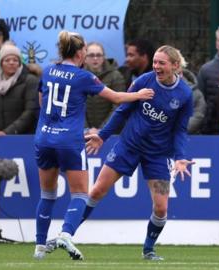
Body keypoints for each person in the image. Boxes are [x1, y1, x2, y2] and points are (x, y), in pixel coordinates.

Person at [33, 30, 154, 260]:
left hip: (44, 137)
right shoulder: (84, 77)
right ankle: (66, 234)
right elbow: (117, 98)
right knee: (79, 194)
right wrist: (138, 95)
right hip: (69, 140)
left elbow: (41, 101)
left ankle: (39, 248)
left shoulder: (48, 71)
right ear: (80, 53)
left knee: (47, 194)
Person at [81, 45, 194, 261]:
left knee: (161, 208)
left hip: (158, 155)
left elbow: (180, 129)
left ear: (175, 66)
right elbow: (122, 111)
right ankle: (66, 235)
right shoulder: (143, 81)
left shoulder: (185, 94)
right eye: (154, 61)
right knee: (96, 191)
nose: (156, 66)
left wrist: (179, 157)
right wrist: (103, 136)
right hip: (128, 146)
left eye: (161, 62)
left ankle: (148, 250)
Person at [0, 42, 39, 136]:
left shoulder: (30, 81)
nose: (11, 62)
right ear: (1, 63)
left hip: (23, 139)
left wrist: (7, 132)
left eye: (15, 60)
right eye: (7, 60)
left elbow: (30, 112)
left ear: (19, 63)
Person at [84, 42, 126, 135]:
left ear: (104, 57)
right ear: (85, 58)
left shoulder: (115, 76)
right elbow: (76, 105)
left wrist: (102, 129)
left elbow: (118, 106)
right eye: (91, 55)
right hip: (84, 133)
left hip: (110, 132)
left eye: (98, 55)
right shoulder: (80, 75)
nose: (95, 58)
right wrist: (86, 129)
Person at [180, 68, 206, 134]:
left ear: (181, 73)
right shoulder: (157, 89)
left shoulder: (196, 93)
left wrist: (179, 130)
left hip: (189, 136)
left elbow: (198, 116)